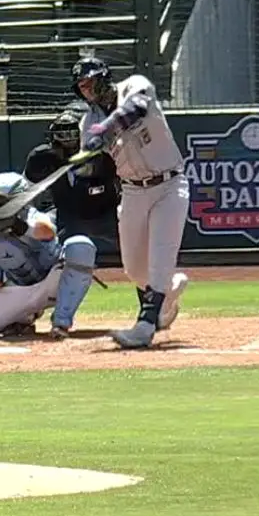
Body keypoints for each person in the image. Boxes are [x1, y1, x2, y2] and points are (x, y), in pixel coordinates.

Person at [73, 56, 190, 349]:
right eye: (82, 87)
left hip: (169, 185)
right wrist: (85, 158)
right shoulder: (88, 121)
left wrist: (107, 130)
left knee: (161, 256)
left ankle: (145, 325)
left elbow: (135, 110)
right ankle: (169, 290)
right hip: (133, 191)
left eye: (90, 83)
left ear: (104, 77)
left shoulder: (136, 86)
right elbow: (92, 163)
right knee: (135, 270)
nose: (88, 90)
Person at [0, 172, 99, 339]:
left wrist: (20, 227)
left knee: (80, 246)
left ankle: (61, 322)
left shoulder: (31, 216)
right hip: (19, 290)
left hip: (53, 281)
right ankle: (22, 318)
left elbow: (48, 232)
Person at [22, 102, 121, 255]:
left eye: (72, 135)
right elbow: (25, 190)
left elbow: (125, 182)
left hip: (106, 214)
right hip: (68, 217)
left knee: (136, 241)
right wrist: (33, 217)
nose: (67, 141)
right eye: (62, 135)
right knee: (45, 246)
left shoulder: (105, 154)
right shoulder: (42, 157)